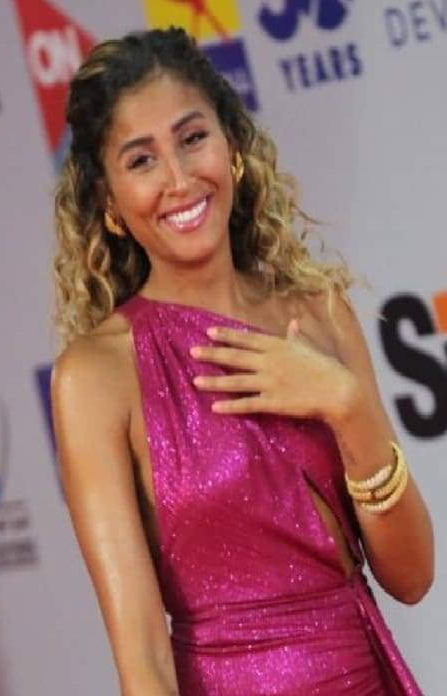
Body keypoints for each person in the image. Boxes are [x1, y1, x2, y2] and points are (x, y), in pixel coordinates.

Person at [50, 28, 433, 695]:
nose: (178, 179)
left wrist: (345, 404)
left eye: (192, 138)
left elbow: (412, 576)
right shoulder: (96, 376)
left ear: (232, 148)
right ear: (110, 205)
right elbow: (142, 653)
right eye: (141, 160)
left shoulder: (319, 311)